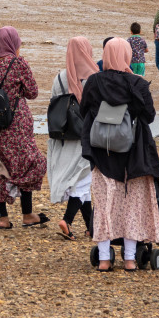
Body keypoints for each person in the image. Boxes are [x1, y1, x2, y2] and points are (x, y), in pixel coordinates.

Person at [80, 38, 159, 272]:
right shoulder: (137, 84)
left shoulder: (94, 82)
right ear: (127, 56)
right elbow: (149, 116)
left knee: (104, 207)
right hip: (132, 156)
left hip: (101, 154)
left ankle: (104, 260)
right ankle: (129, 259)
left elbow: (84, 110)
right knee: (131, 207)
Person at [0, 27, 48, 229]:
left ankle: (3, 218)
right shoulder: (18, 63)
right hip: (17, 122)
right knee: (29, 162)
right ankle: (27, 214)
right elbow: (32, 92)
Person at [49, 37, 97, 239]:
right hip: (84, 136)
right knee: (84, 180)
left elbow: (53, 104)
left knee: (81, 180)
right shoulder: (93, 78)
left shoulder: (59, 78)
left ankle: (91, 227)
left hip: (64, 135)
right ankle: (67, 220)